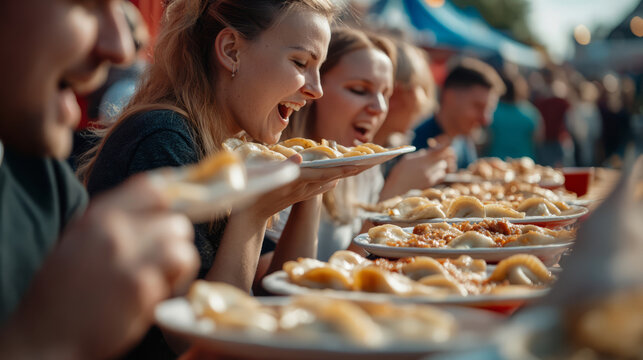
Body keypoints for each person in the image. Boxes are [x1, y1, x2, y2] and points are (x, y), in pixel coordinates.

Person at [79, 1, 363, 356]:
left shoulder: (236, 144)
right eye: (301, 63)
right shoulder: (164, 137)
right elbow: (199, 341)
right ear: (231, 51)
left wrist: (313, 188)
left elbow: (275, 300)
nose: (316, 89)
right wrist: (254, 213)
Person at [0, 0, 199, 359]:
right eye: (87, 3)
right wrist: (45, 345)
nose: (120, 48)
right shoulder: (164, 135)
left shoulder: (48, 188)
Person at [273, 27, 395, 260]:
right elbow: (273, 287)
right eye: (359, 90)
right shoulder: (278, 167)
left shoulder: (366, 169)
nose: (379, 108)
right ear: (313, 89)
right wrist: (386, 210)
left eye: (386, 94)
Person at [372, 37, 454, 198]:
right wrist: (400, 186)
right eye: (420, 87)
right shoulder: (354, 162)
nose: (424, 101)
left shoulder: (386, 154)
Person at [412, 58, 505, 169]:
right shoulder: (416, 145)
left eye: (489, 110)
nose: (485, 120)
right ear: (450, 97)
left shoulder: (464, 141)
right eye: (478, 106)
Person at [485, 73, 541, 159]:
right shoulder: (530, 112)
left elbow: (487, 139)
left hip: (497, 163)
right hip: (525, 163)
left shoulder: (493, 110)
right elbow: (538, 138)